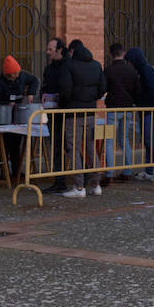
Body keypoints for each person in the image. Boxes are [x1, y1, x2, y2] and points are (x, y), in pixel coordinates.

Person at [58, 40, 106, 198]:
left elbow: (65, 90)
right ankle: (96, 184)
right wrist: (91, 99)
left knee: (74, 148)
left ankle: (79, 187)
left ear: (71, 51)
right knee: (91, 147)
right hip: (91, 112)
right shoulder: (96, 65)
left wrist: (66, 103)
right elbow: (102, 89)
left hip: (73, 113)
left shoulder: (69, 65)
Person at [0, 54, 39, 179]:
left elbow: (34, 80)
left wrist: (31, 93)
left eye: (18, 73)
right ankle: (4, 172)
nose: (17, 75)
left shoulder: (22, 76)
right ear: (9, 75)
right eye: (15, 74)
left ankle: (16, 172)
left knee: (16, 146)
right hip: (4, 118)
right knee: (5, 146)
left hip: (18, 117)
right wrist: (6, 104)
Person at [125, 48, 154, 179]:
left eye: (129, 61)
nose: (129, 64)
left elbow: (151, 90)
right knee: (147, 141)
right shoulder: (142, 70)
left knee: (150, 140)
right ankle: (149, 169)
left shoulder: (146, 70)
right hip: (146, 110)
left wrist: (140, 100)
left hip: (151, 111)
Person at [103, 43, 140, 177]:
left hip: (113, 108)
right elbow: (137, 90)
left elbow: (103, 88)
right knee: (125, 139)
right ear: (123, 53)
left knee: (109, 141)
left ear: (111, 54)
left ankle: (109, 172)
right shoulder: (132, 70)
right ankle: (127, 171)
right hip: (128, 108)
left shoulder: (108, 70)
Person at [39, 36, 69, 193]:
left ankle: (82, 179)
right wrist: (43, 95)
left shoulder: (69, 66)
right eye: (47, 49)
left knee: (71, 146)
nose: (47, 52)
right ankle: (60, 181)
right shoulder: (49, 69)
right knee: (56, 146)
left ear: (59, 50)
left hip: (67, 112)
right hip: (53, 112)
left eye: (50, 49)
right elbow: (44, 85)